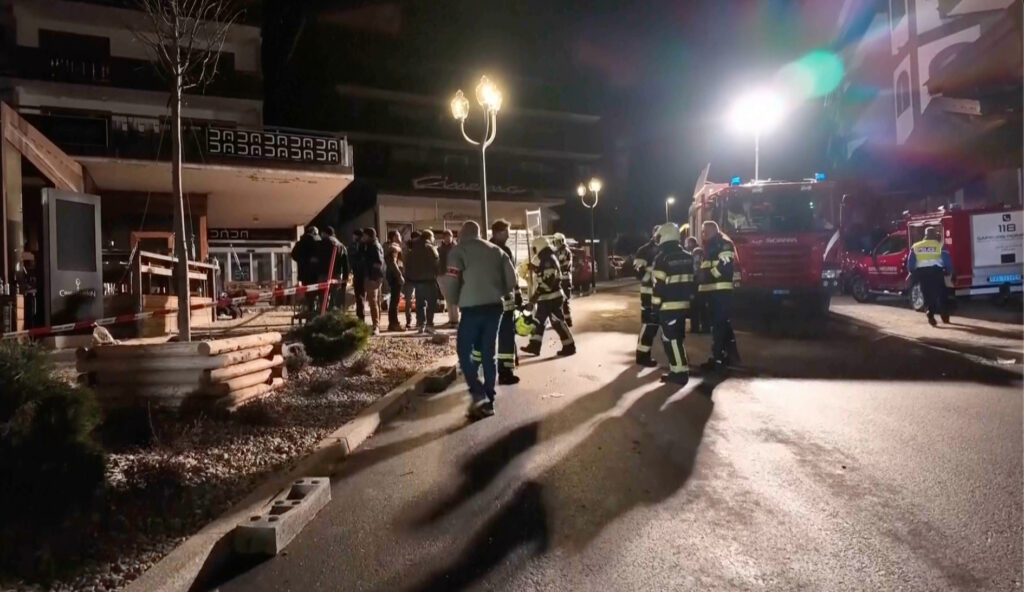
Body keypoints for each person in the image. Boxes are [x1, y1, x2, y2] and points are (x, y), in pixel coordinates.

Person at [446, 220, 518, 420]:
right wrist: (498, 292)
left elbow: (451, 282)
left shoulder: (458, 252)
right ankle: (489, 400)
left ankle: (478, 393)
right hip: (495, 308)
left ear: (462, 234)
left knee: (463, 350)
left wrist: (454, 300)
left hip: (471, 309)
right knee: (489, 353)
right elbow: (511, 280)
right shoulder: (497, 251)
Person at [651, 223, 697, 385]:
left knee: (671, 340)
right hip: (684, 305)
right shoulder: (687, 255)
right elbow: (694, 281)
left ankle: (679, 372)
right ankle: (677, 369)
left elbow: (658, 285)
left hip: (668, 306)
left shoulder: (662, 258)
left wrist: (654, 307)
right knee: (677, 338)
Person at [521, 236, 576, 357]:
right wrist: (534, 268)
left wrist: (533, 300)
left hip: (551, 298)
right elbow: (545, 274)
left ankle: (569, 346)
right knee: (539, 322)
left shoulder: (547, 260)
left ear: (539, 247)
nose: (533, 251)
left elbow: (546, 283)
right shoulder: (547, 258)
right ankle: (534, 346)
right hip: (548, 298)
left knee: (557, 322)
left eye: (534, 248)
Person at [698, 220, 740, 372]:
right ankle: (731, 356)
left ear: (713, 230)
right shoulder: (709, 245)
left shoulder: (723, 244)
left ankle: (718, 359)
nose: (703, 234)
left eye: (705, 231)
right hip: (712, 292)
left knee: (718, 326)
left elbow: (725, 265)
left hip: (720, 292)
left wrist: (709, 276)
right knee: (723, 325)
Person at [490, 219, 522, 384]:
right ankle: (505, 372)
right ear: (498, 232)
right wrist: (518, 296)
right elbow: (512, 277)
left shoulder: (486, 250)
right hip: (505, 300)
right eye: (506, 232)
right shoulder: (504, 251)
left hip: (489, 301)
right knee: (506, 336)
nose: (508, 235)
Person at [907, 225, 953, 326]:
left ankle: (930, 313)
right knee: (941, 294)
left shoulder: (916, 246)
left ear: (925, 235)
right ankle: (944, 315)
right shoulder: (940, 246)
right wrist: (949, 271)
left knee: (927, 294)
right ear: (934, 235)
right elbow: (947, 260)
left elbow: (910, 263)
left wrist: (913, 272)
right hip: (937, 272)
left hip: (922, 274)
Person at [633, 225, 661, 367]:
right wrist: (652, 276)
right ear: (653, 233)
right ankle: (642, 355)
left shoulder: (666, 248)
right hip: (649, 293)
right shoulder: (644, 250)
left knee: (657, 326)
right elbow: (638, 272)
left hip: (662, 294)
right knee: (649, 324)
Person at [405, 229, 441, 333]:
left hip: (417, 281)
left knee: (420, 304)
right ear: (429, 237)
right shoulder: (430, 248)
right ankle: (429, 324)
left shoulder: (413, 249)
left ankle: (421, 324)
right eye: (433, 237)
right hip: (429, 280)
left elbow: (408, 265)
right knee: (432, 303)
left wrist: (411, 278)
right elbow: (436, 263)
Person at [291, 226, 323, 315]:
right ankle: (315, 312)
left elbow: (293, 255)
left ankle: (309, 310)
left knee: (308, 293)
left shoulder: (300, 242)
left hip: (303, 273)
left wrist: (302, 260)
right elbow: (321, 255)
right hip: (315, 272)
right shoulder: (316, 241)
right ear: (314, 232)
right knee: (317, 292)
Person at [361, 227, 385, 334]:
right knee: (375, 302)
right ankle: (377, 324)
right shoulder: (370, 245)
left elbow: (378, 263)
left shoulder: (374, 246)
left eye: (364, 235)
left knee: (373, 302)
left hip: (373, 278)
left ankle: (376, 326)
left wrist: (373, 278)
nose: (363, 237)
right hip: (374, 277)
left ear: (369, 236)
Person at [321, 226, 349, 311]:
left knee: (324, 297)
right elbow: (345, 263)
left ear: (325, 233)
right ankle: (334, 314)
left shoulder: (323, 243)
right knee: (335, 296)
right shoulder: (341, 245)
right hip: (337, 274)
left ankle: (323, 315)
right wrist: (345, 277)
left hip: (324, 273)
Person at [686, 236, 709, 333]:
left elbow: (696, 268)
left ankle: (695, 328)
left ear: (691, 243)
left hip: (697, 283)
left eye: (687, 243)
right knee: (703, 307)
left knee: (695, 306)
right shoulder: (700, 251)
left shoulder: (696, 252)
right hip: (703, 283)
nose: (686, 245)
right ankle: (705, 327)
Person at [437, 229, 460, 327]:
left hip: (453, 274)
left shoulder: (456, 248)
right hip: (442, 274)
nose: (448, 238)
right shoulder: (440, 248)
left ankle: (455, 319)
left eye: (449, 236)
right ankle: (451, 319)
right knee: (448, 298)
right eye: (446, 236)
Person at [551, 232, 574, 327]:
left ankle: (568, 321)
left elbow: (563, 265)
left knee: (564, 300)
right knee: (559, 300)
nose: (555, 244)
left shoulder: (565, 251)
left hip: (564, 278)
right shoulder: (558, 251)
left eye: (556, 242)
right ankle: (562, 320)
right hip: (560, 279)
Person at [385, 240, 405, 331]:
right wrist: (400, 276)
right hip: (395, 279)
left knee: (394, 302)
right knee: (394, 302)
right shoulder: (393, 251)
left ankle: (393, 322)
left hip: (393, 279)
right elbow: (394, 265)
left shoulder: (390, 252)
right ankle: (394, 323)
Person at [402, 231, 421, 330]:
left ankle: (417, 320)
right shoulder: (408, 249)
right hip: (411, 278)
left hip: (414, 277)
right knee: (410, 301)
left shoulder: (419, 248)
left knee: (416, 300)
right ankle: (410, 321)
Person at [349, 229, 366, 322]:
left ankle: (361, 317)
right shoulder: (364, 245)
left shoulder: (356, 245)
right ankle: (361, 316)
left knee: (359, 296)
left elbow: (353, 259)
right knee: (362, 296)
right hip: (363, 273)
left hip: (359, 273)